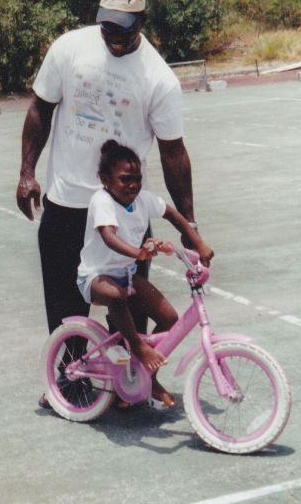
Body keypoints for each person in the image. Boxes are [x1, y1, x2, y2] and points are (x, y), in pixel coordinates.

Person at [16, 0, 208, 404]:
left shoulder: (158, 78)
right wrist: (27, 172)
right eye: (107, 27)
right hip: (67, 204)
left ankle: (128, 384)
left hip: (123, 213)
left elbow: (174, 153)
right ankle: (70, 380)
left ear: (141, 21)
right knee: (65, 303)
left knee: (130, 304)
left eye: (123, 28)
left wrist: (188, 223)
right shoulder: (69, 48)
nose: (114, 36)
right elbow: (39, 109)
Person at [77, 139, 213, 407]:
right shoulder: (101, 200)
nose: (133, 185)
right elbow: (108, 236)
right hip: (95, 276)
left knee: (169, 318)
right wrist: (137, 253)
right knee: (116, 296)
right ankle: (139, 348)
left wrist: (198, 243)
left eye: (137, 178)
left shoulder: (143, 200)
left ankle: (146, 378)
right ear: (104, 180)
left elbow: (173, 215)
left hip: (125, 274)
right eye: (125, 179)